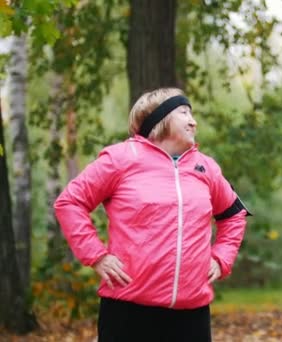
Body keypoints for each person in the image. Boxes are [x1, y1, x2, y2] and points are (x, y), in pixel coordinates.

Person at [54, 87, 250, 341]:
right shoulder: (121, 158)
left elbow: (234, 215)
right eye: (184, 112)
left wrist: (222, 257)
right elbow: (70, 202)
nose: (193, 121)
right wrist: (96, 256)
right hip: (129, 312)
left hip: (191, 314)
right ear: (160, 118)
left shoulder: (205, 167)